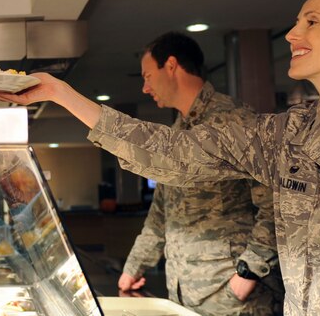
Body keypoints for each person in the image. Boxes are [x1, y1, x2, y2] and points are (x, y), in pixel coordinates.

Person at [0, 0, 320, 315]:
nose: (292, 33)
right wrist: (63, 94)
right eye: (296, 21)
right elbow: (172, 154)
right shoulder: (285, 136)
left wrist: (245, 275)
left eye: (311, 21)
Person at [118, 32, 281, 315]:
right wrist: (133, 269)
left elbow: (275, 203)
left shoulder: (234, 120)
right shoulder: (177, 132)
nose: (145, 87)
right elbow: (160, 215)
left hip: (231, 297)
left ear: (171, 66)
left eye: (147, 76)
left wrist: (248, 273)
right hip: (183, 292)